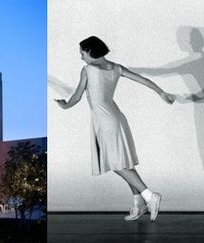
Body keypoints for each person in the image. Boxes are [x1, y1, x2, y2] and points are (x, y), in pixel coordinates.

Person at [54, 36, 175, 222]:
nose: (81, 57)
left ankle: (149, 195)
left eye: (82, 53)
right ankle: (138, 204)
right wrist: (161, 93)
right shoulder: (116, 68)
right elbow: (142, 80)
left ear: (90, 51)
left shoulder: (88, 70)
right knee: (125, 163)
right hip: (117, 117)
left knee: (116, 163)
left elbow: (76, 97)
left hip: (104, 121)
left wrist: (64, 105)